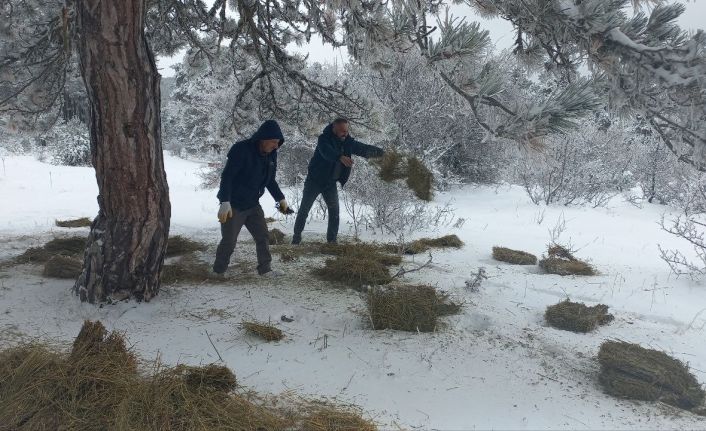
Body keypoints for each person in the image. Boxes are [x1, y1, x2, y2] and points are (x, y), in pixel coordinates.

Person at [213, 120, 291, 276]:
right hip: (234, 205)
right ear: (263, 138)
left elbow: (270, 180)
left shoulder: (271, 155)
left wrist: (280, 199)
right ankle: (218, 271)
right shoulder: (241, 150)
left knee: (263, 237)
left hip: (253, 204)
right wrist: (225, 201)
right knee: (229, 241)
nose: (276, 146)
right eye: (274, 142)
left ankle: (265, 269)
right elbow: (227, 177)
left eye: (278, 143)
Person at [292, 118, 384, 244]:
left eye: (346, 131)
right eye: (342, 131)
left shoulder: (348, 142)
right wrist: (339, 157)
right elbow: (326, 152)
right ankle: (296, 238)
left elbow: (363, 149)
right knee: (304, 209)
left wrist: (383, 154)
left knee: (334, 212)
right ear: (334, 128)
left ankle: (332, 242)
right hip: (314, 181)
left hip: (330, 183)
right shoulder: (323, 139)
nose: (345, 133)